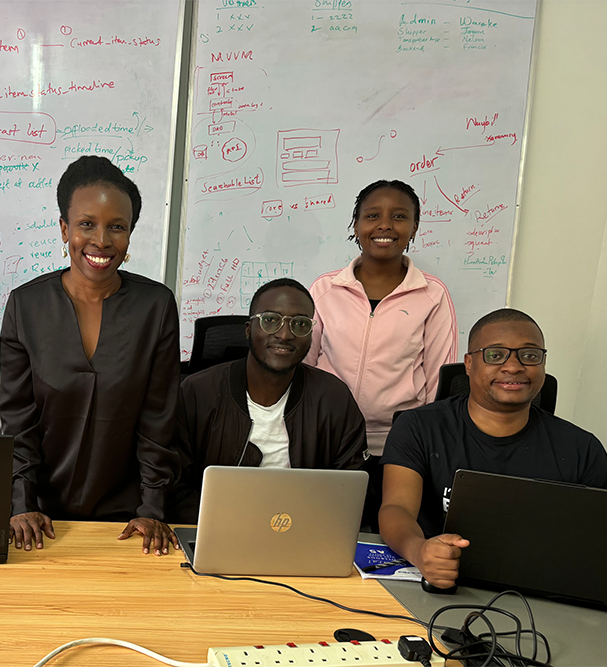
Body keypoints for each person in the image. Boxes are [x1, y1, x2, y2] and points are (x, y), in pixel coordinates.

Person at [0, 155, 181, 556]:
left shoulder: (156, 306)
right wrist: (21, 505)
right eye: (86, 224)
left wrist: (151, 509)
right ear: (65, 229)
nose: (101, 240)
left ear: (130, 234)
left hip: (129, 522)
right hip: (42, 520)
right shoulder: (25, 307)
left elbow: (159, 420)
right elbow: (18, 422)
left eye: (117, 226)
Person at [379, 309, 607, 588]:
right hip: (439, 584)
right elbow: (396, 508)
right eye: (495, 355)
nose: (513, 367)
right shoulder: (418, 427)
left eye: (530, 355)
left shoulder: (582, 449)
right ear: (469, 363)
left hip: (542, 593)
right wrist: (419, 551)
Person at [305, 180, 457, 526]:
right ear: (356, 225)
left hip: (398, 447)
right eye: (373, 215)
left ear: (414, 227)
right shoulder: (325, 289)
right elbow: (304, 366)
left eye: (399, 216)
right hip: (329, 441)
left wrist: (423, 444)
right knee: (323, 532)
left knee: (385, 541)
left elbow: (439, 380)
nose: (385, 225)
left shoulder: (431, 295)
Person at [168, 279, 369, 524]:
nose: (285, 335)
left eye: (300, 324)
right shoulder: (198, 392)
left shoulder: (333, 399)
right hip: (214, 531)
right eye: (271, 320)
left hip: (301, 536)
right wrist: (232, 524)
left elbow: (347, 492)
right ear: (248, 329)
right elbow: (174, 487)